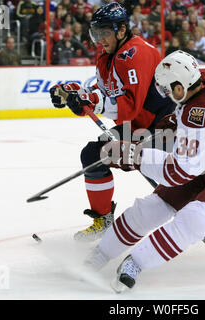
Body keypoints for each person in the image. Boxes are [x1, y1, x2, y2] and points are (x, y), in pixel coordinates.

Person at [85, 50, 205, 292]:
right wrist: (177, 120)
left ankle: (136, 262)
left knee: (195, 218)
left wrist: (133, 156)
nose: (166, 94)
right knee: (152, 207)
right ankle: (101, 254)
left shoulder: (199, 117)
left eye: (168, 90)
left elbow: (178, 172)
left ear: (180, 88)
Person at [49, 2, 175, 241]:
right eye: (96, 33)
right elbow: (105, 91)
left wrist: (91, 99)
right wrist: (75, 93)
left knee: (191, 192)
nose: (99, 39)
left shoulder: (136, 53)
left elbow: (128, 106)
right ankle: (103, 219)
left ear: (121, 30)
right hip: (140, 128)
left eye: (104, 32)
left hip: (164, 132)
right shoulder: (109, 56)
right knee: (93, 155)